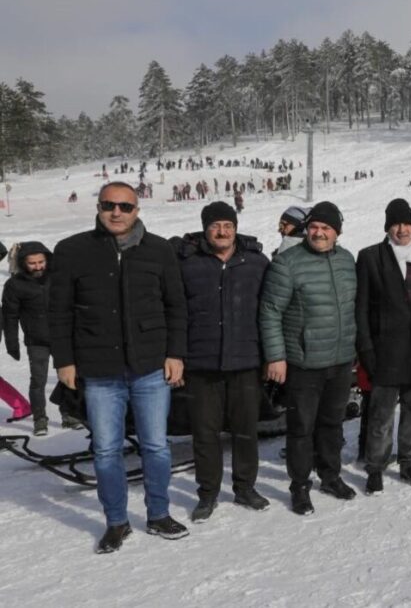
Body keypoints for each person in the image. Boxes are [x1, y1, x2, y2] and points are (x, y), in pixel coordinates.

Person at [49, 182, 190, 553]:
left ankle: (158, 514)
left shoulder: (159, 250)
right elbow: (59, 312)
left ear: (136, 210)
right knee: (107, 450)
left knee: (157, 447)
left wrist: (175, 353)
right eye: (109, 205)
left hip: (149, 368)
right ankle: (116, 521)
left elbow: (176, 306)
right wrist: (64, 360)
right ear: (98, 207)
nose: (117, 212)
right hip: (100, 370)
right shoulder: (72, 250)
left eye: (125, 207)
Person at [174, 202, 271, 522]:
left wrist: (271, 355)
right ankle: (207, 493)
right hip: (202, 363)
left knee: (245, 431)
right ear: (205, 228)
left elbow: (269, 312)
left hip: (245, 360)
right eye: (215, 225)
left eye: (227, 225)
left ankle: (245, 488)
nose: (222, 231)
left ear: (235, 226)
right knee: (205, 433)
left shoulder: (256, 262)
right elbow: (176, 312)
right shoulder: (187, 263)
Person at [260, 201, 358, 515]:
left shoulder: (346, 260)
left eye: (325, 228)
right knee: (301, 428)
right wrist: (276, 356)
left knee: (332, 423)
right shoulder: (288, 262)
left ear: (336, 232)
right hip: (303, 362)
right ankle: (300, 486)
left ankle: (330, 476)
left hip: (340, 359)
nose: (318, 233)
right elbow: (270, 312)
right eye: (314, 227)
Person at [356, 199, 411, 495]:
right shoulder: (370, 257)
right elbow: (361, 308)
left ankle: (408, 461)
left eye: (406, 223)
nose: (401, 230)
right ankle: (376, 466)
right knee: (381, 415)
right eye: (395, 224)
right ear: (387, 226)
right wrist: (365, 349)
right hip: (385, 351)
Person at [3, 242, 79, 435]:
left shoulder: (58, 278)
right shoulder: (14, 285)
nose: (38, 267)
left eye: (41, 262)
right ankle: (40, 419)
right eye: (32, 263)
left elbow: (76, 304)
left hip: (63, 337)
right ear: (23, 263)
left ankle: (69, 415)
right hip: (36, 340)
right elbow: (10, 316)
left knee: (69, 378)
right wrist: (12, 344)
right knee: (38, 381)